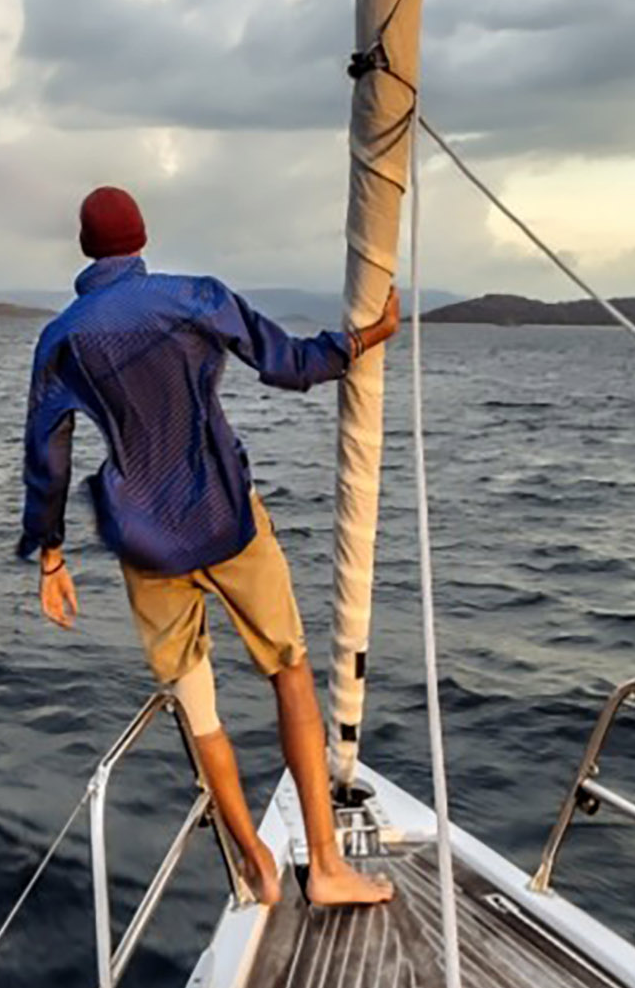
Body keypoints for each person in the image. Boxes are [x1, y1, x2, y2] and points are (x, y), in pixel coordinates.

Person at [20, 185, 401, 909]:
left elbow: (49, 453)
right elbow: (287, 363)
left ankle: (255, 860)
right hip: (225, 515)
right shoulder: (192, 296)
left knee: (200, 711)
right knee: (288, 671)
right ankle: (324, 866)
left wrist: (51, 556)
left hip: (144, 541)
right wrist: (363, 339)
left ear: (84, 248)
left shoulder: (62, 337)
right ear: (141, 238)